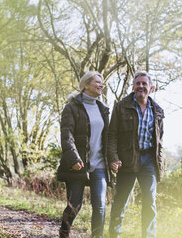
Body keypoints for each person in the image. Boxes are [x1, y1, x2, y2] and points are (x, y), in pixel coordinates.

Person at [107, 71, 164, 238]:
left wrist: (159, 164)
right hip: (127, 159)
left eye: (144, 84)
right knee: (120, 202)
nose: (140, 86)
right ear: (133, 87)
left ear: (151, 88)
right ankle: (114, 235)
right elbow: (112, 135)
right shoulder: (121, 106)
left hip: (149, 161)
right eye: (137, 83)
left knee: (150, 203)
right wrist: (113, 158)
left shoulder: (158, 111)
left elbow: (159, 142)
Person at [57, 71, 113, 238]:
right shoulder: (72, 108)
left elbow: (108, 138)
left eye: (102, 82)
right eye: (97, 82)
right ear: (85, 85)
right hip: (78, 163)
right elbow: (67, 136)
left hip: (100, 165)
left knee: (100, 206)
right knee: (74, 205)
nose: (101, 85)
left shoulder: (103, 109)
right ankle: (64, 233)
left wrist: (113, 159)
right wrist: (73, 158)